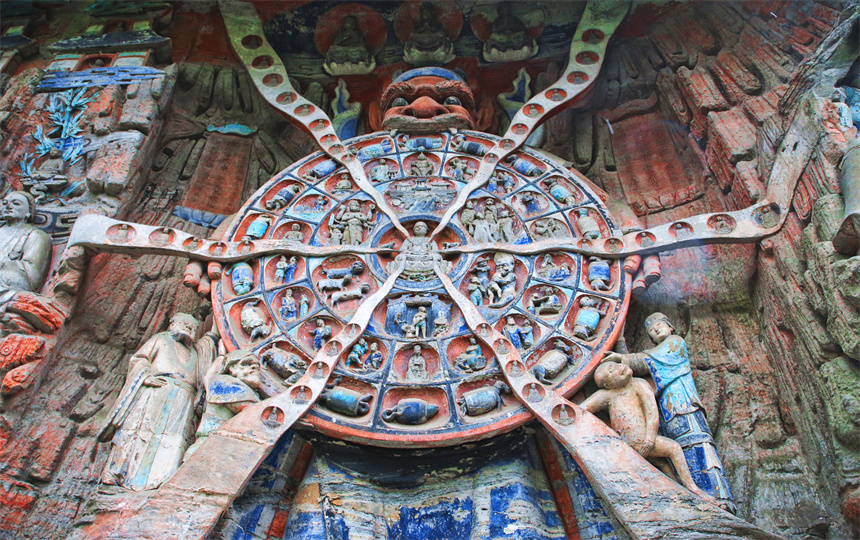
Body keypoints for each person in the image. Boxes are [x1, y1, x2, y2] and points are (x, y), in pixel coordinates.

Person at [602, 313, 735, 511]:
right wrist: (620, 344)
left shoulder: (674, 343)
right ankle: (693, 497)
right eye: (651, 330)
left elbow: (643, 361)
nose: (655, 329)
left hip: (685, 404)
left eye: (658, 325)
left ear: (671, 327)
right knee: (677, 452)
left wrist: (622, 358)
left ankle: (719, 495)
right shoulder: (654, 356)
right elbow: (634, 368)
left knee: (697, 443)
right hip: (667, 408)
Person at [98, 313, 218, 491]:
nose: (188, 327)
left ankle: (162, 479)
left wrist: (218, 313)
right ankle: (118, 472)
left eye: (192, 326)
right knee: (137, 430)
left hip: (183, 399)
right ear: (172, 324)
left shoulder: (197, 351)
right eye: (184, 323)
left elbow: (211, 339)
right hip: (156, 390)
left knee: (174, 440)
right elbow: (139, 359)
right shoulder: (161, 340)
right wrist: (145, 376)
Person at [581, 362, 716, 504]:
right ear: (608, 385)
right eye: (611, 370)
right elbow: (580, 410)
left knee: (671, 452)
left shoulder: (638, 384)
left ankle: (690, 488)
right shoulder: (606, 395)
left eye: (615, 364)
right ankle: (685, 489)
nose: (618, 367)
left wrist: (650, 439)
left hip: (644, 442)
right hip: (626, 448)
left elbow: (652, 413)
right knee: (667, 455)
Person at [184, 350, 261, 460]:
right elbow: (255, 414)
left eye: (256, 366)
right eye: (246, 364)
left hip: (222, 451)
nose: (254, 368)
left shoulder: (249, 391)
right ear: (232, 368)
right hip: (209, 450)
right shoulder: (223, 383)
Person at [0, 191, 52, 298]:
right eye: (5, 203)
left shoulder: (36, 235)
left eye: (16, 203)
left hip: (7, 280)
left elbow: (33, 274)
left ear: (28, 212)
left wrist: (5, 265)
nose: (8, 206)